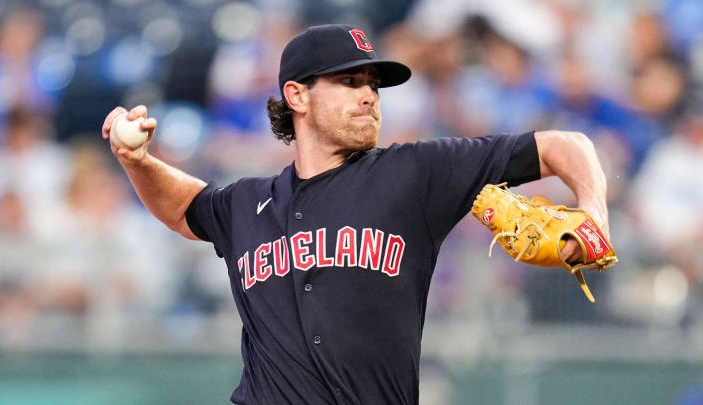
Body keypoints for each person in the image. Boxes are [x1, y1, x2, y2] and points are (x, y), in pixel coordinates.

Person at [101, 24, 610, 405]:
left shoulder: (415, 173)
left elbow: (564, 145)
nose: (369, 94)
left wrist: (594, 214)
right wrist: (139, 161)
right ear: (296, 95)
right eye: (349, 81)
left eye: (373, 83)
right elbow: (184, 206)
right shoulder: (246, 204)